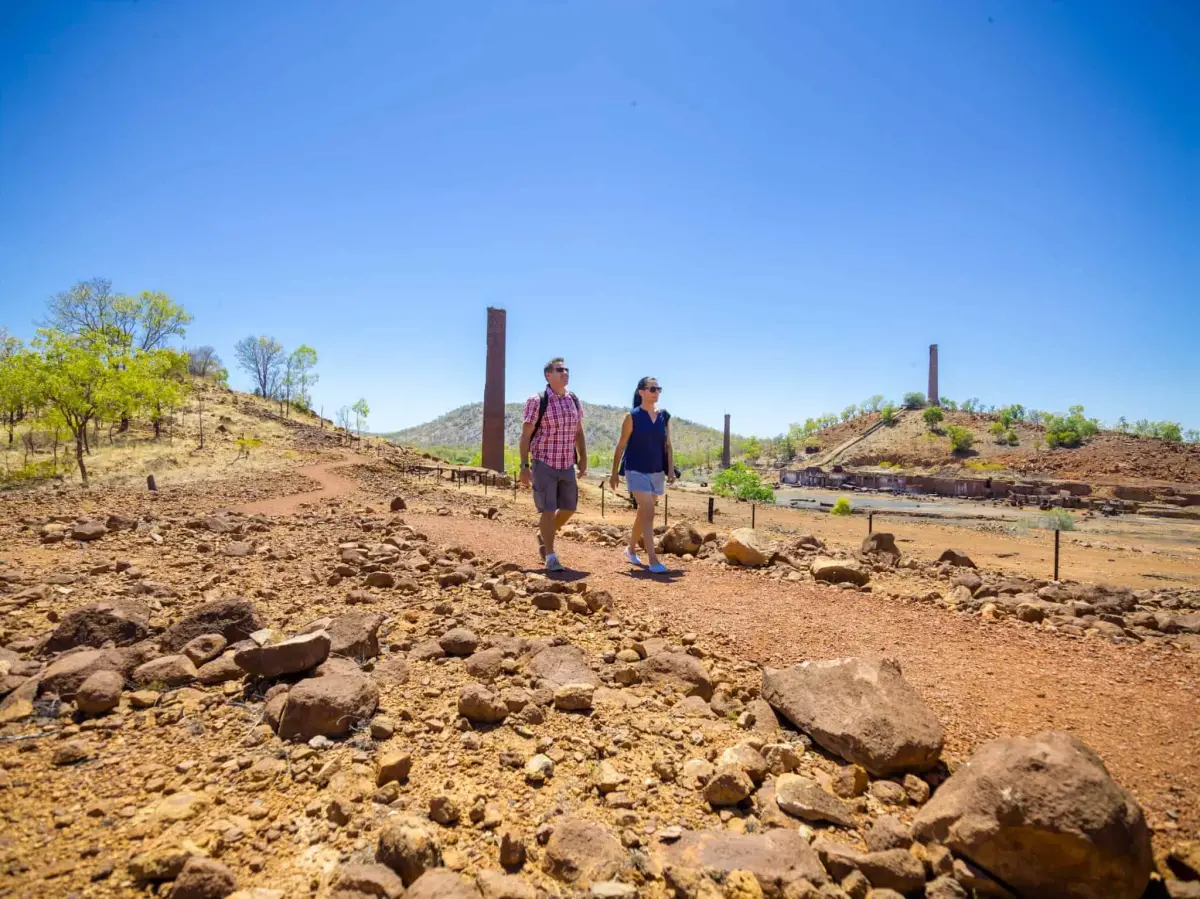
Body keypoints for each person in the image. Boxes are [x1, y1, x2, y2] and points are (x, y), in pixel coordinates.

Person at [519, 357, 586, 572]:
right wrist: (524, 466)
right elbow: (526, 434)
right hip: (544, 461)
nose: (565, 372)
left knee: (568, 508)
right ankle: (550, 554)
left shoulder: (573, 399)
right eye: (560, 370)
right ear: (549, 375)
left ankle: (544, 534)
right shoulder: (537, 401)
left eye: (566, 369)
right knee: (548, 510)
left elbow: (578, 431)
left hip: (566, 462)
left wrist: (583, 457)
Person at [610, 376, 675, 574]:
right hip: (635, 469)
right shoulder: (632, 416)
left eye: (658, 389)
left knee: (643, 512)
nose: (656, 392)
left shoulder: (664, 416)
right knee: (648, 511)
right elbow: (621, 445)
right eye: (652, 388)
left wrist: (670, 469)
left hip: (656, 470)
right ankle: (653, 560)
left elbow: (668, 445)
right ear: (641, 392)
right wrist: (614, 473)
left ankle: (630, 550)